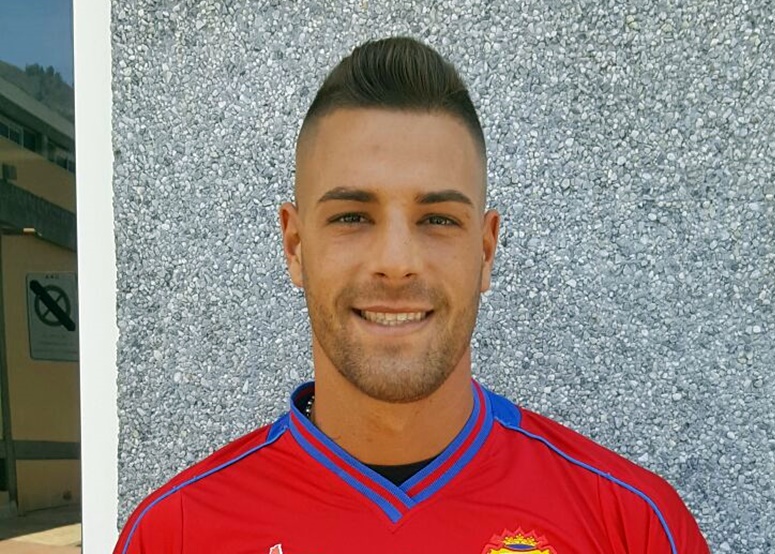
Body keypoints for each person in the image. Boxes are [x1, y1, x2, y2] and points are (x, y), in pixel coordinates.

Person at [114, 36, 710, 553]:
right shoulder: (175, 534)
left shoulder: (632, 525)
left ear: (485, 251)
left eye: (438, 219)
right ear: (295, 246)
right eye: (351, 216)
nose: (396, 262)